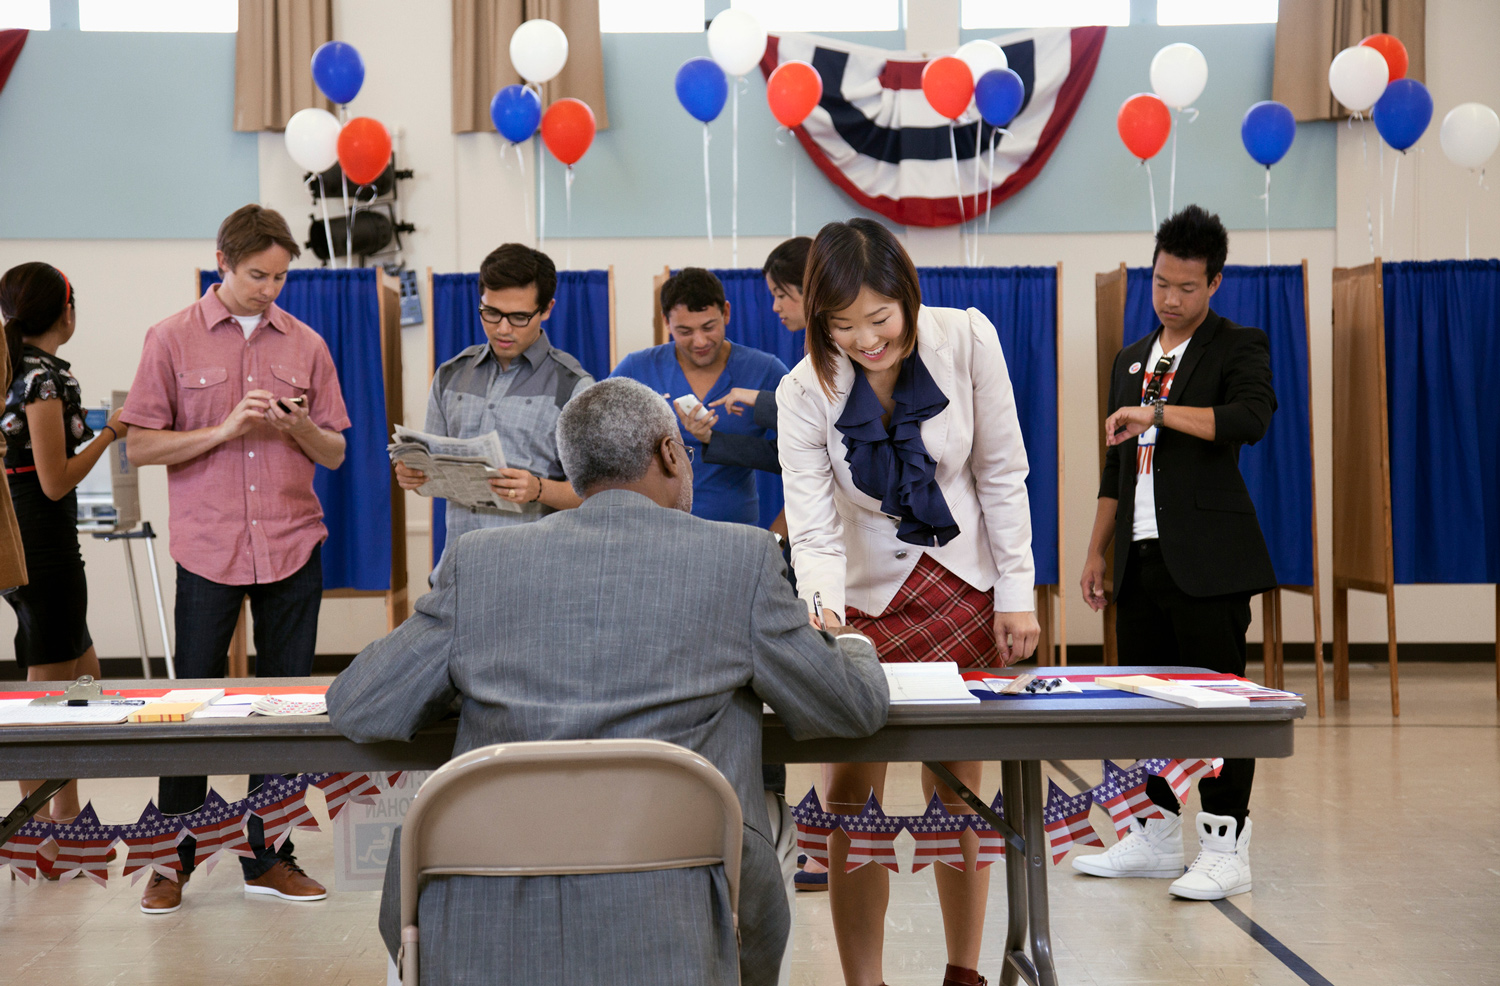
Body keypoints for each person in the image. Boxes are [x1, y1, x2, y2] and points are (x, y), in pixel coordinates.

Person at [326, 377, 890, 986]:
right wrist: (850, 643)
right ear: (670, 454)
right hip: (678, 887)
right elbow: (849, 709)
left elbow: (360, 706)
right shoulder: (743, 558)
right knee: (769, 817)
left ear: (575, 468)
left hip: (489, 890)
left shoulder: (479, 563)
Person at [777, 218, 1039, 986]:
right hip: (861, 605)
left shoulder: (967, 339)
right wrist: (823, 619)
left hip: (962, 590)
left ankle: (964, 972)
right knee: (847, 795)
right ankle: (866, 982)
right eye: (842, 324)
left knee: (958, 789)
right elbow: (813, 529)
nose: (865, 340)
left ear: (908, 296)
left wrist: (1016, 595)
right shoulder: (803, 390)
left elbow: (1001, 473)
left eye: (879, 318)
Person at [121, 204, 350, 913]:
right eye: (257, 275)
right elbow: (140, 446)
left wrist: (301, 427)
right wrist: (223, 430)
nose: (269, 289)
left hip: (291, 542)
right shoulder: (170, 338)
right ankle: (171, 860)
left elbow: (335, 451)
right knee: (188, 707)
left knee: (282, 709)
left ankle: (267, 856)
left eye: (280, 277)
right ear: (222, 261)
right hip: (207, 546)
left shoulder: (307, 343)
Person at [1074, 204, 1277, 901]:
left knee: (1219, 705)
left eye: (1187, 287)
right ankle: (1154, 836)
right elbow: (1115, 467)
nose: (1170, 298)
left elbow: (1250, 419)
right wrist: (1096, 551)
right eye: (1161, 282)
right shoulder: (1130, 359)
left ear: (1214, 283)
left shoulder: (1237, 344)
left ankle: (1226, 845)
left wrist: (1156, 413)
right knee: (1147, 705)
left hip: (1210, 561)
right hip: (1140, 559)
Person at [0, 262, 129, 836]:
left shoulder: (14, 368)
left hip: (30, 536)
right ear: (66, 312)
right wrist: (112, 433)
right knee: (50, 694)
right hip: (42, 542)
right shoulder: (42, 379)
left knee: (84, 676)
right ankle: (36, 838)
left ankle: (67, 821)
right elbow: (55, 481)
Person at [396, 243, 592, 575]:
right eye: (491, 312)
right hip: (457, 571)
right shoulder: (450, 375)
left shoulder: (574, 386)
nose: (503, 328)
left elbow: (595, 494)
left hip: (532, 575)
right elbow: (430, 471)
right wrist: (413, 475)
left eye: (519, 317)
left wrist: (538, 489)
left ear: (547, 309)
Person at [610, 267, 788, 526]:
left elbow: (811, 456)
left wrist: (778, 537)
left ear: (726, 312)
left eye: (709, 327)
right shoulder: (637, 368)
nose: (700, 341)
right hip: (653, 528)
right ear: (666, 322)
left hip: (733, 530)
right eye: (685, 331)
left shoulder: (765, 370)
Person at [677, 236, 812, 478]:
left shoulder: (836, 351)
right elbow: (786, 452)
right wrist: (710, 438)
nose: (775, 306)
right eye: (685, 331)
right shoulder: (814, 353)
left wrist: (758, 399)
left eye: (781, 295)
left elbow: (817, 421)